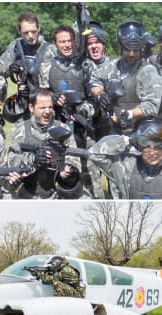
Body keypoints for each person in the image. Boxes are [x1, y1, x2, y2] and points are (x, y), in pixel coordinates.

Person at [39, 25, 102, 199]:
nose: (67, 45)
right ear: (55, 44)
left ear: (75, 41)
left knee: (92, 174)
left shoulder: (86, 65)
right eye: (62, 41)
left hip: (84, 129)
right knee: (61, 174)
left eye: (69, 41)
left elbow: (96, 100)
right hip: (58, 131)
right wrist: (53, 99)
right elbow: (42, 98)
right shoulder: (46, 67)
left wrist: (82, 110)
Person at [88, 118, 162, 199]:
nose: (152, 152)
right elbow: (94, 153)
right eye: (147, 147)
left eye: (157, 147)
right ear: (139, 146)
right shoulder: (126, 166)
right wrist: (127, 140)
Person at [91, 20, 162, 136]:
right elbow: (94, 80)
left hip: (143, 131)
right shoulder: (113, 66)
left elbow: (152, 105)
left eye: (135, 50)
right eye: (127, 49)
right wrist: (100, 94)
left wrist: (129, 114)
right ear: (120, 47)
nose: (131, 54)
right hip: (115, 131)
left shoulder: (149, 71)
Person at [10, 89, 82, 199]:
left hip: (56, 193)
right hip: (26, 192)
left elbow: (74, 159)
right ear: (31, 108)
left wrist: (66, 170)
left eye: (50, 107)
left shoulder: (63, 129)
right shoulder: (20, 130)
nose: (47, 111)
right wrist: (33, 160)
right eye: (42, 108)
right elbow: (12, 162)